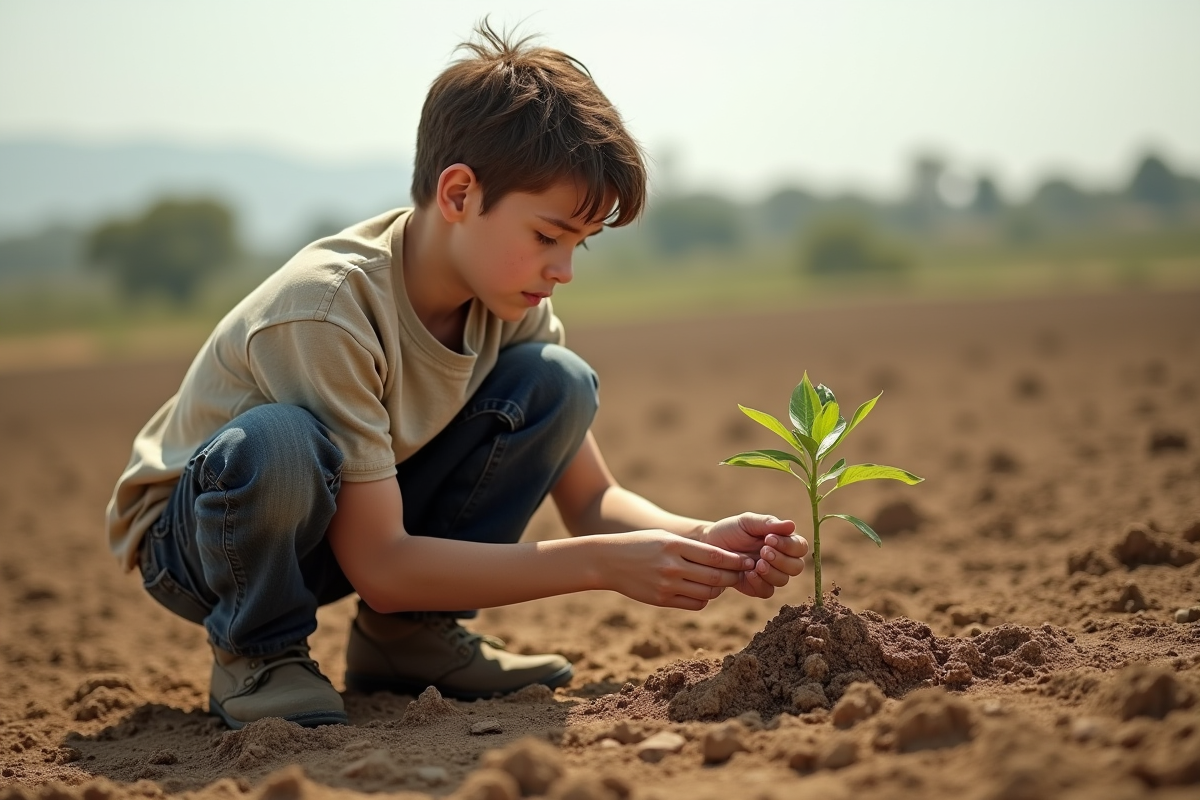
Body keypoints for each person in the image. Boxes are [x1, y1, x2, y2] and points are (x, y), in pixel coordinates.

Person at [104, 22, 809, 731]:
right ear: (459, 193)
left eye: (579, 244)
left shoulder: (506, 303)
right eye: (546, 236)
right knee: (282, 441)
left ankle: (408, 637)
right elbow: (379, 563)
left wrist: (702, 540)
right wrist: (603, 566)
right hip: (206, 540)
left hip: (347, 524)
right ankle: (257, 651)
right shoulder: (327, 312)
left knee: (556, 380)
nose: (563, 270)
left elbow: (595, 499)